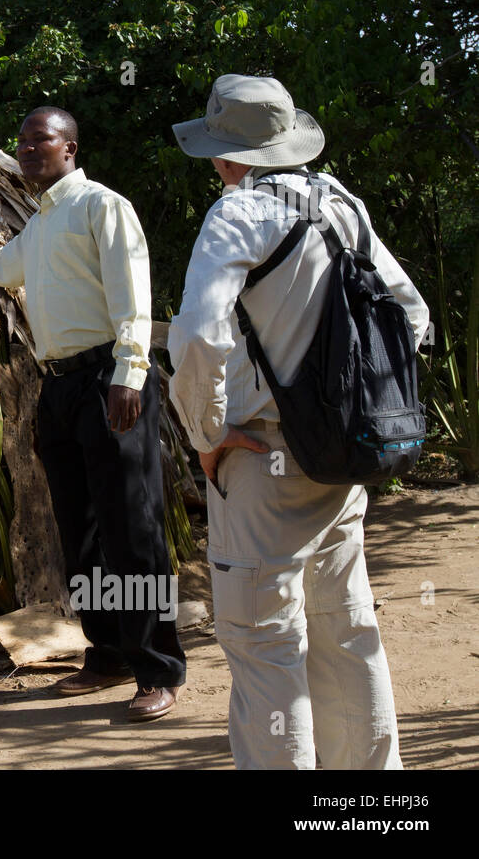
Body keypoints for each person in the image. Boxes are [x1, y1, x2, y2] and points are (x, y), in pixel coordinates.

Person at [167, 74, 429, 768]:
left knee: (265, 646)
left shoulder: (237, 214)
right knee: (347, 633)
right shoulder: (340, 203)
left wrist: (207, 433)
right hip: (342, 458)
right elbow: (412, 314)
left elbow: (197, 338)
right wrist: (357, 403)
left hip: (261, 461)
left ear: (226, 154)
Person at [0, 106, 187, 721]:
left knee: (132, 529)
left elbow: (134, 297)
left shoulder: (102, 207)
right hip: (59, 388)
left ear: (70, 147)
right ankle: (107, 654)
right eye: (22, 141)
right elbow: (0, 267)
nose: (28, 149)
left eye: (41, 139)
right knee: (81, 531)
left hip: (110, 380)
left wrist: (130, 374)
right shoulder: (42, 222)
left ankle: (158, 669)